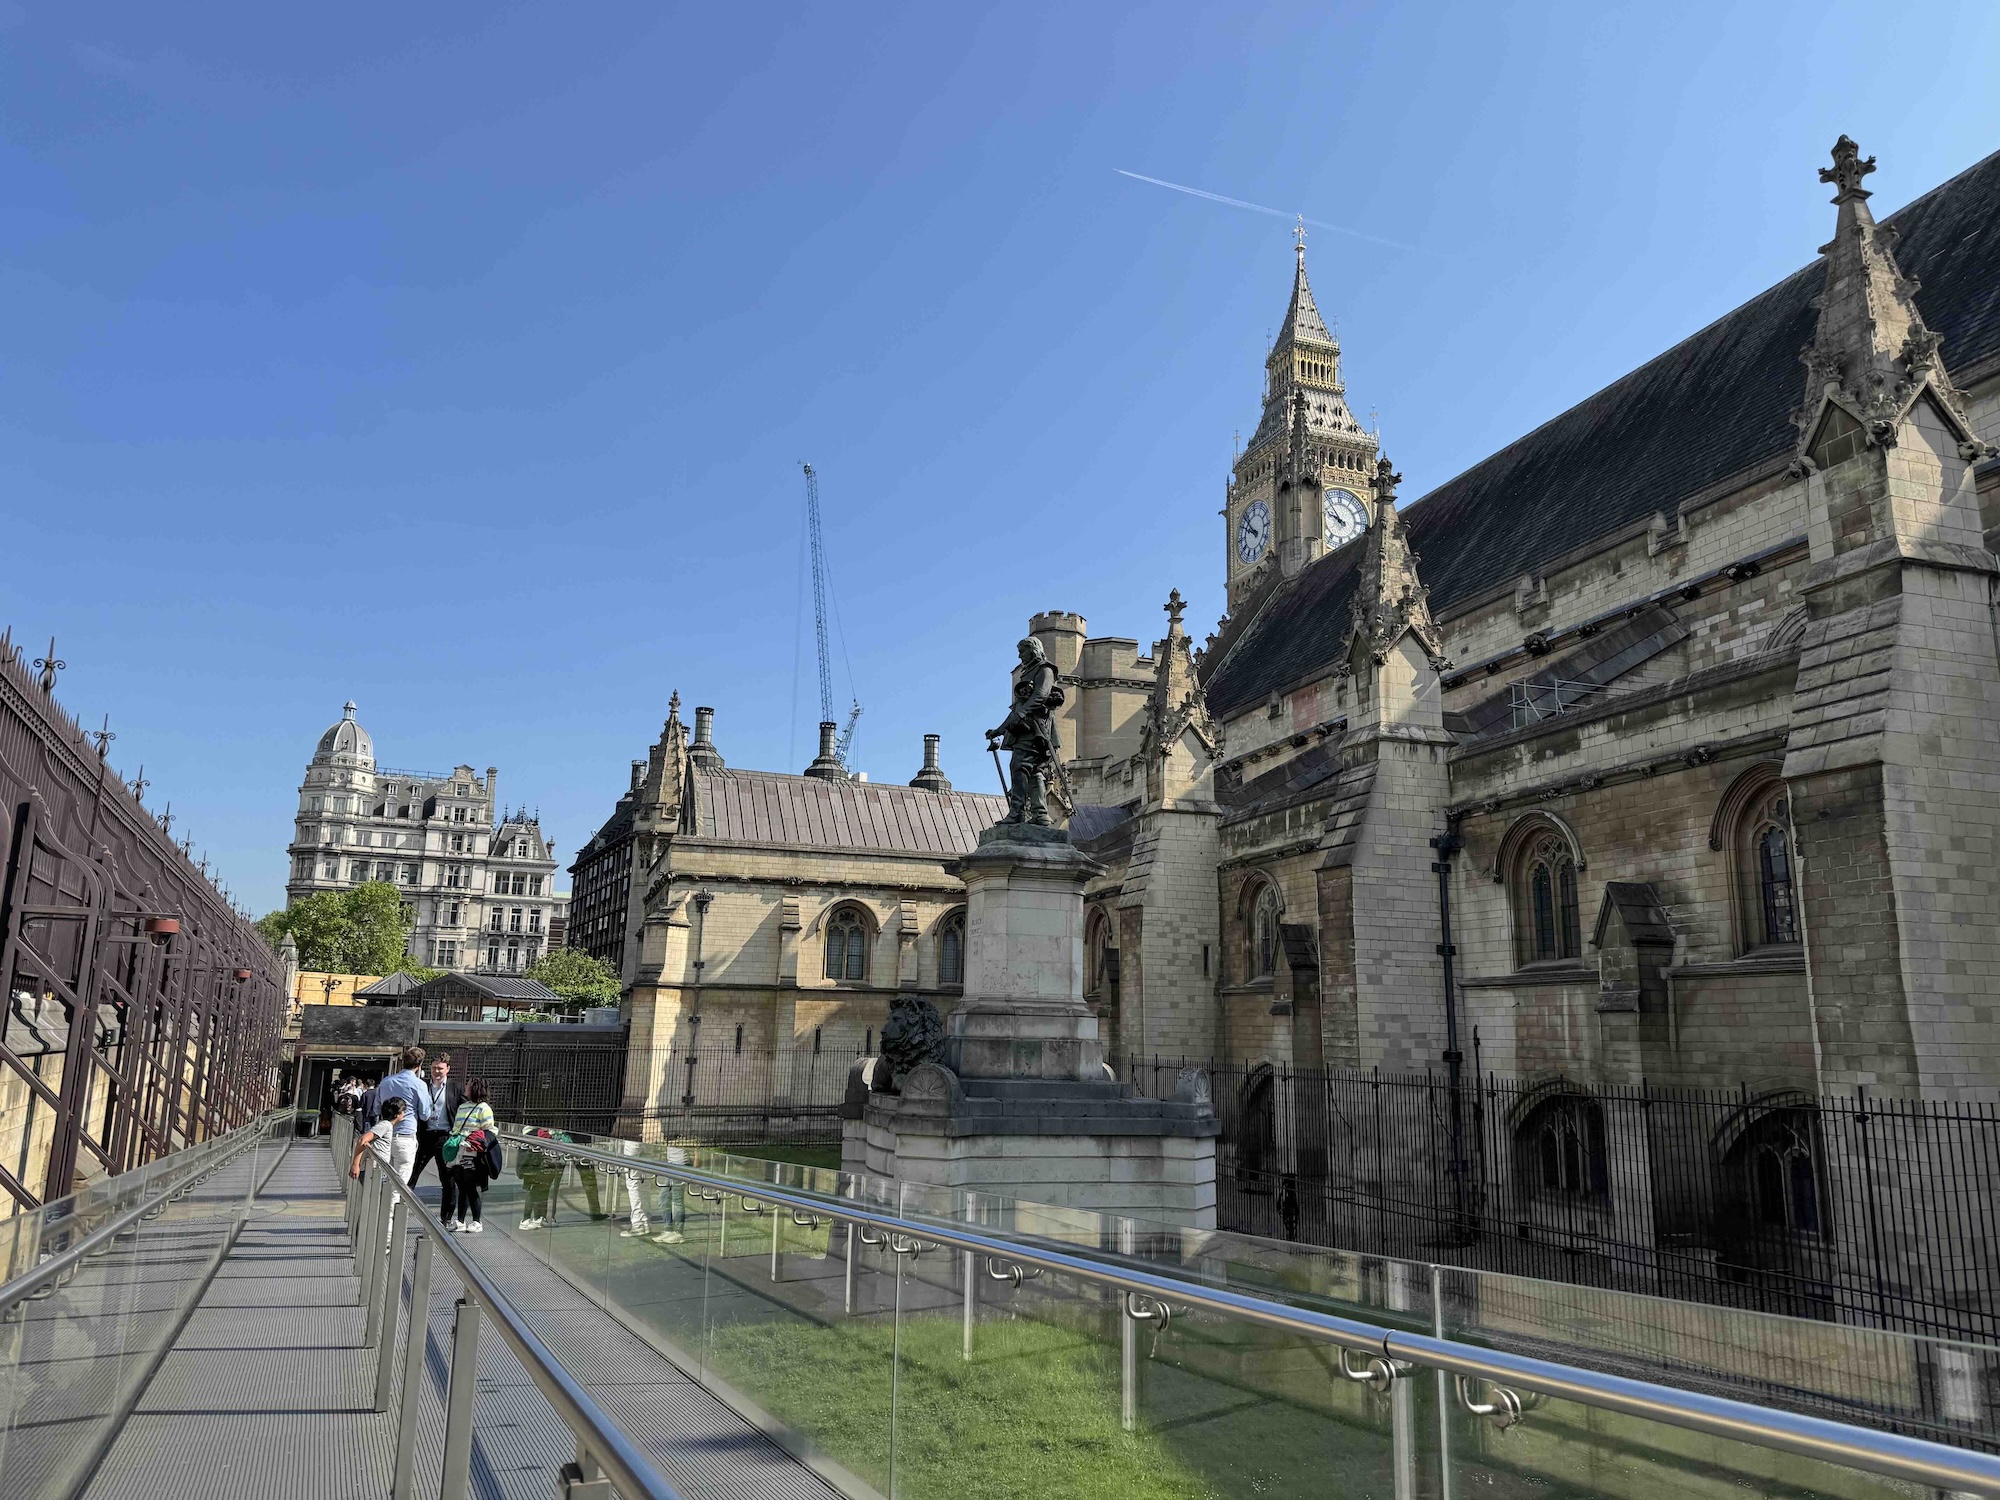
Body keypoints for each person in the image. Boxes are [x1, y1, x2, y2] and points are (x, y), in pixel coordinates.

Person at [441, 1078, 497, 1232]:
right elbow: (456, 1127)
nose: (465, 1087)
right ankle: (460, 1221)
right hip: (459, 1150)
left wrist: (474, 1139)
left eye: (468, 1085)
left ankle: (476, 1221)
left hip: (472, 1153)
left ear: (475, 1088)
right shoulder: (463, 1107)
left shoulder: (484, 1108)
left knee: (471, 1186)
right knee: (462, 1186)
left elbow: (489, 1130)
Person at [409, 1051, 464, 1188]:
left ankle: (447, 1210)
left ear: (448, 1069)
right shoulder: (423, 1085)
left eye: (440, 1068)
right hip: (425, 1136)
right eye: (434, 1068)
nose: (436, 1071)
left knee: (447, 1178)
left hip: (445, 1137)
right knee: (412, 1173)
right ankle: (401, 1204)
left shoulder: (456, 1087)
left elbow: (464, 1108)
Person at [373, 1047, 433, 1153]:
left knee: (382, 1169)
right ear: (419, 1065)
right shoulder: (419, 1085)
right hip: (405, 1135)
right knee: (402, 1170)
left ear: (402, 1062)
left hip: (384, 1133)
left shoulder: (385, 1082)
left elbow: (376, 1109)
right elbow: (424, 1115)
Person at [348, 1096, 408, 1180]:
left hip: (374, 1169)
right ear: (397, 1114)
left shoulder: (385, 1125)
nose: (404, 1114)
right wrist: (355, 1165)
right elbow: (362, 1140)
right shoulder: (385, 1125)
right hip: (374, 1170)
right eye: (403, 1111)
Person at [650, 1144, 688, 1246]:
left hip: (680, 1165)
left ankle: (679, 1233)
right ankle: (668, 1229)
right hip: (671, 1165)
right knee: (664, 1198)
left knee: (677, 1199)